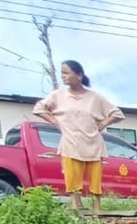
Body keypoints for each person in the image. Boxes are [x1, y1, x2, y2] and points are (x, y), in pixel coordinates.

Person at [33, 60, 124, 214]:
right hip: (71, 143)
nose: (63, 76)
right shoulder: (58, 95)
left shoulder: (95, 97)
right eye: (62, 73)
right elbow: (39, 109)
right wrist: (56, 122)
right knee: (72, 178)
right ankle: (75, 209)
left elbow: (117, 114)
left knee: (95, 180)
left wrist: (103, 123)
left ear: (79, 75)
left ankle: (97, 211)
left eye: (66, 73)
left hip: (93, 143)